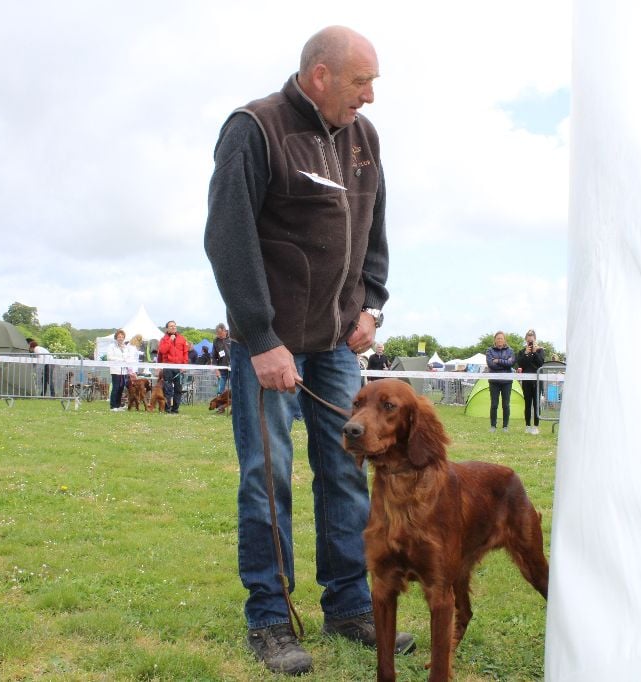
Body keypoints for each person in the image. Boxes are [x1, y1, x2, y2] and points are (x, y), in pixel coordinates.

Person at [203, 26, 412, 676]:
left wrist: (372, 304)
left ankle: (349, 606)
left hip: (336, 346)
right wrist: (261, 338)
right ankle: (270, 620)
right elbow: (227, 239)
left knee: (347, 474)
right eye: (360, 83)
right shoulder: (255, 129)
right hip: (268, 347)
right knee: (267, 481)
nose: (370, 97)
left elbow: (375, 229)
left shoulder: (364, 141)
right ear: (320, 76)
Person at [515, 328, 546, 435]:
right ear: (526, 340)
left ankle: (536, 426)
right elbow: (520, 364)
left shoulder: (540, 350)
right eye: (528, 341)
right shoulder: (522, 352)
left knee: (536, 404)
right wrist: (526, 353)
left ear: (535, 339)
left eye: (532, 341)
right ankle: (528, 425)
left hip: (537, 381)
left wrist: (534, 352)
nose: (530, 343)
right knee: (528, 404)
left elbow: (541, 363)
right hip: (527, 381)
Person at [485, 331, 515, 432]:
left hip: (507, 382)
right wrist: (504, 362)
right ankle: (493, 426)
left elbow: (511, 363)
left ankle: (505, 426)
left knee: (506, 405)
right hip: (494, 381)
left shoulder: (510, 350)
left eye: (501, 338)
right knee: (494, 404)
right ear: (495, 340)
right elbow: (491, 364)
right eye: (498, 338)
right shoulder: (489, 350)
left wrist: (497, 360)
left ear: (504, 340)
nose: (499, 340)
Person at [156, 320, 188, 414]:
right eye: (171, 326)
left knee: (178, 389)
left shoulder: (182, 339)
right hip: (168, 367)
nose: (173, 327)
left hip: (179, 367)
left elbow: (185, 353)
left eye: (174, 326)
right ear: (167, 328)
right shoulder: (163, 339)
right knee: (167, 389)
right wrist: (170, 340)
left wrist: (184, 365)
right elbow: (162, 351)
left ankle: (175, 409)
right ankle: (167, 408)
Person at [107, 329, 140, 411]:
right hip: (115, 370)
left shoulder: (126, 347)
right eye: (119, 337)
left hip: (124, 370)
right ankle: (113, 406)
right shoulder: (112, 346)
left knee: (121, 387)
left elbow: (128, 358)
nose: (120, 338)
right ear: (116, 338)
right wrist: (121, 359)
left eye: (122, 337)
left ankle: (118, 405)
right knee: (116, 387)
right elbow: (109, 357)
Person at [212, 322, 231, 397]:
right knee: (220, 390)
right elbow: (213, 357)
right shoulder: (215, 341)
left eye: (220, 333)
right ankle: (220, 407)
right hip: (222, 369)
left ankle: (235, 407)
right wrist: (216, 369)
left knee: (235, 389)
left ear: (224, 330)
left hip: (233, 367)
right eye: (217, 333)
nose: (218, 335)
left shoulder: (233, 338)